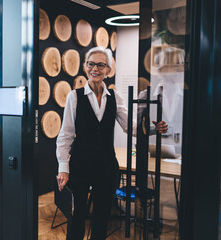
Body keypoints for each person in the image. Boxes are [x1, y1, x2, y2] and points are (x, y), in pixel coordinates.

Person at [56, 46, 168, 240]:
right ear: (85, 66)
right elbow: (65, 135)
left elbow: (130, 128)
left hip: (107, 168)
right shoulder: (74, 97)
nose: (95, 69)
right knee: (76, 219)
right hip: (80, 166)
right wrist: (63, 167)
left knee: (101, 219)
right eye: (91, 64)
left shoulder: (115, 97)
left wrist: (153, 129)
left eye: (101, 65)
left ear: (108, 70)